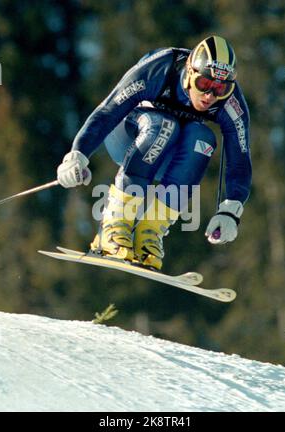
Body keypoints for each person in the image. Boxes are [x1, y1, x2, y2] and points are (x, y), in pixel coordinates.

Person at [57, 35, 252, 271]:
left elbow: (240, 158)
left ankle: (149, 234)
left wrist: (231, 210)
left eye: (220, 88)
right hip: (128, 135)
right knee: (164, 126)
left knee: (203, 140)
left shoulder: (230, 102)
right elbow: (107, 111)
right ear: (190, 72)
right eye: (203, 84)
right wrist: (77, 154)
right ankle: (114, 227)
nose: (210, 95)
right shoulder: (160, 68)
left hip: (170, 157)